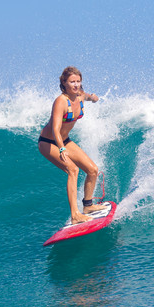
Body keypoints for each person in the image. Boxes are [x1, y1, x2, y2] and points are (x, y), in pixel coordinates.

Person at [39, 66, 106, 224]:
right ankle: (75, 215)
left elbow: (88, 96)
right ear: (64, 83)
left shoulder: (81, 96)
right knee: (73, 170)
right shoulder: (61, 101)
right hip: (49, 142)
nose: (75, 84)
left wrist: (94, 98)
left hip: (65, 140)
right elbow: (55, 128)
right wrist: (61, 148)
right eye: (71, 82)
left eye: (78, 81)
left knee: (92, 170)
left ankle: (88, 206)